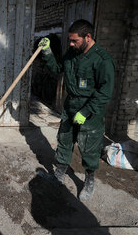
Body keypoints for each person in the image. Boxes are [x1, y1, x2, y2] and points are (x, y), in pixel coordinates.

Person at [38, 19, 115, 201]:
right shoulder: (72, 54)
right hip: (70, 106)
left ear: (88, 37)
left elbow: (105, 93)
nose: (71, 44)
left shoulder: (103, 60)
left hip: (91, 111)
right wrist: (47, 51)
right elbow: (58, 68)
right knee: (64, 140)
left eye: (75, 41)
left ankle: (89, 181)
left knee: (89, 146)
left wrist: (86, 111)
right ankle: (59, 175)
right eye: (70, 41)